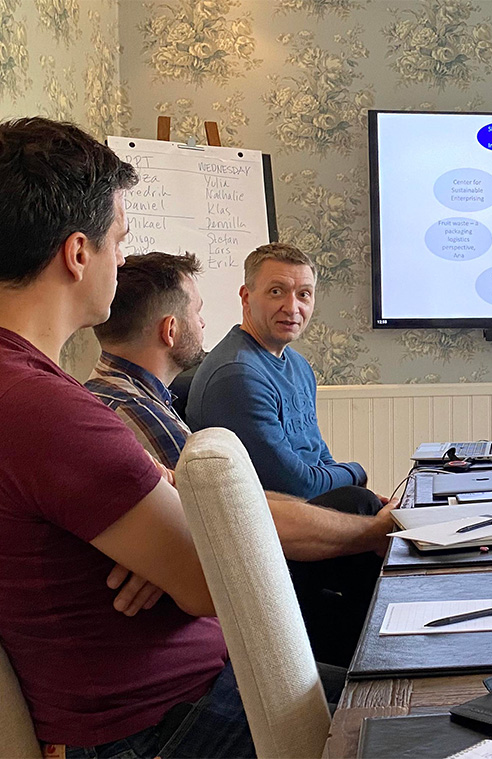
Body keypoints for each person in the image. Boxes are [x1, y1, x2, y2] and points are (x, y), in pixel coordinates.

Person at [0, 117, 253, 756]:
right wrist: (172, 514)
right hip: (163, 727)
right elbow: (211, 575)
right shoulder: (44, 408)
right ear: (78, 253)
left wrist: (162, 532)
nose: (122, 258)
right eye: (119, 240)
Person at [87, 251, 397, 666]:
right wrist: (370, 521)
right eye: (198, 312)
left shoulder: (142, 400)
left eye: (304, 293)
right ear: (170, 329)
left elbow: (238, 498)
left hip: (207, 591)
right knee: (354, 511)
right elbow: (228, 515)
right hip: (204, 619)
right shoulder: (135, 411)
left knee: (356, 516)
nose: (203, 323)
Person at [186, 242, 372, 501]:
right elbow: (296, 486)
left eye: (304, 294)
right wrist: (357, 472)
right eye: (276, 291)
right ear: (246, 297)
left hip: (308, 506)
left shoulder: (298, 365)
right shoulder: (238, 376)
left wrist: (349, 483)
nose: (292, 308)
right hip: (274, 520)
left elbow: (319, 455)